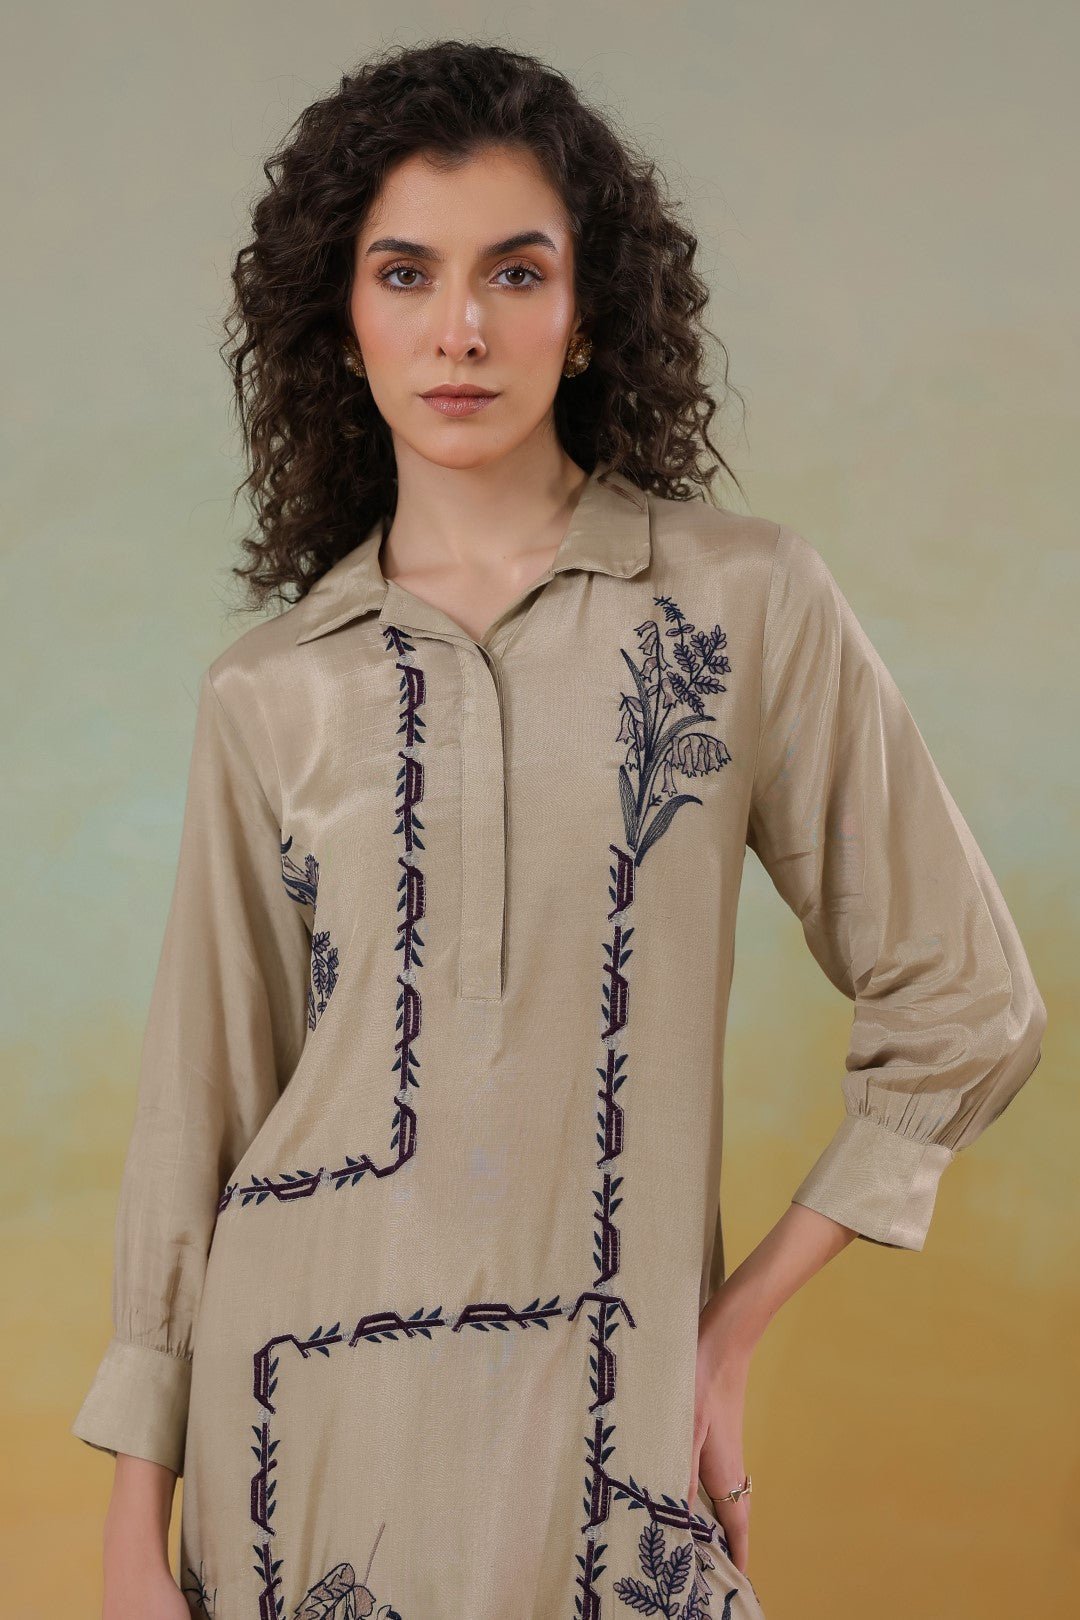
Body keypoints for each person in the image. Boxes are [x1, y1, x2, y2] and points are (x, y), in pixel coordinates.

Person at [71, 39, 1047, 1620]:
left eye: (515, 273)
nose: (460, 327)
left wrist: (722, 1342)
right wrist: (134, 1527)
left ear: (587, 313)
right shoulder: (269, 689)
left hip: (606, 1439)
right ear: (342, 318)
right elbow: (200, 1115)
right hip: (297, 1438)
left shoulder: (739, 603)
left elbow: (968, 1001)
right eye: (406, 274)